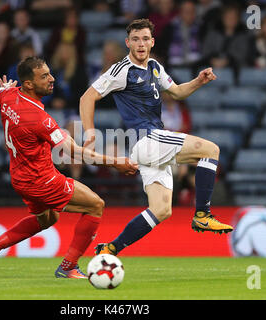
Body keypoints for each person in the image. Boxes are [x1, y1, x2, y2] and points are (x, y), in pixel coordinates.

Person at [79, 18, 233, 257]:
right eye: (135, 39)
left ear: (152, 41)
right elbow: (87, 97)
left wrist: (199, 81)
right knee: (210, 150)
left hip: (151, 147)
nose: (140, 44)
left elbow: (178, 92)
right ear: (128, 43)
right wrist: (89, 131)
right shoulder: (121, 70)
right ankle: (202, 214)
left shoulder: (154, 66)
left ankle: (110, 249)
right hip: (148, 139)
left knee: (161, 210)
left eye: (145, 39)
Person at [0, 57, 137, 279]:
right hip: (41, 180)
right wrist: (115, 162)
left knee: (48, 219)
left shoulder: (9, 96)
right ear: (28, 84)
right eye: (44, 77)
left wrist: (3, 88)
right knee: (95, 206)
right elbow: (75, 152)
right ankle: (68, 266)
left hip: (20, 178)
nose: (52, 79)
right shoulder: (39, 119)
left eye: (49, 73)